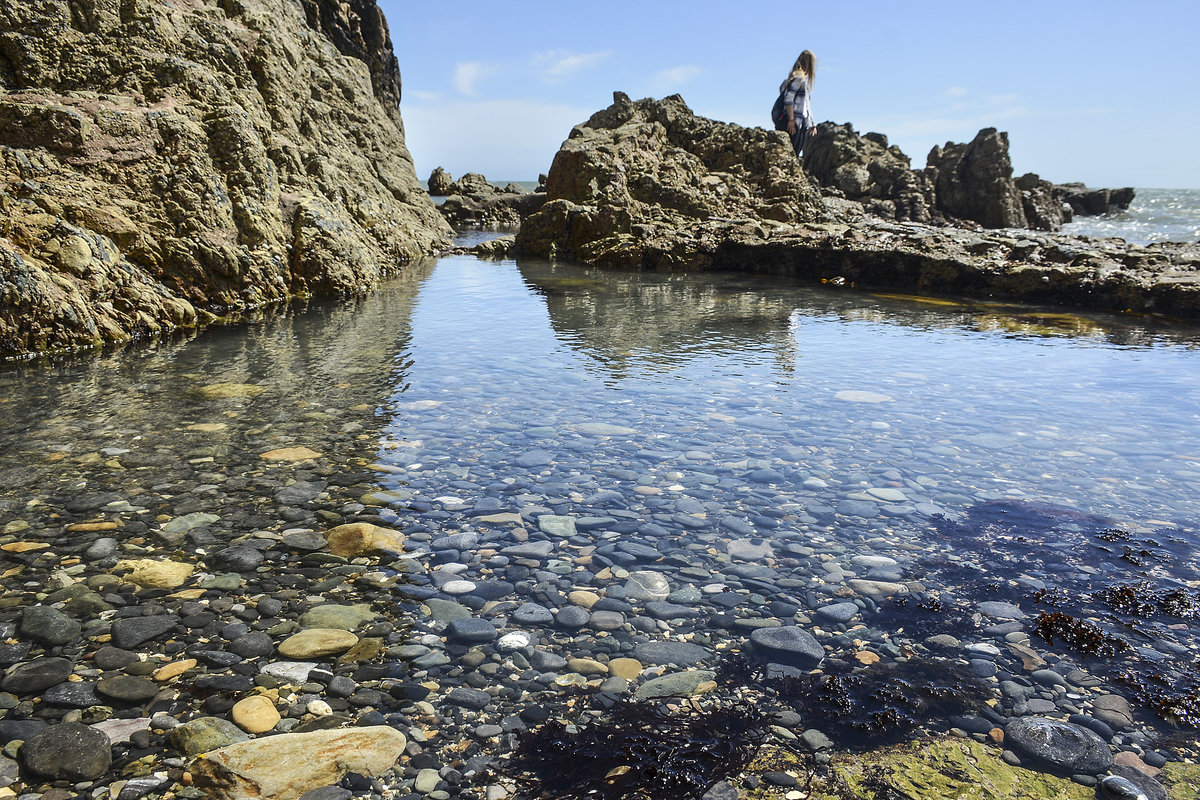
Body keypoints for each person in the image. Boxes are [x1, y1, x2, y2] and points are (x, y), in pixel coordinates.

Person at [780, 50, 816, 159]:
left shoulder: (792, 79)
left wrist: (811, 122)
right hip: (793, 122)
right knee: (791, 155)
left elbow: (805, 104)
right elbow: (788, 98)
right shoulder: (798, 78)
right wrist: (791, 120)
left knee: (793, 155)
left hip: (799, 122)